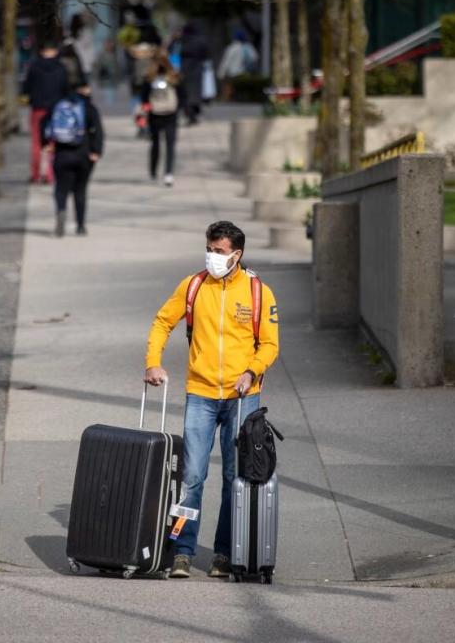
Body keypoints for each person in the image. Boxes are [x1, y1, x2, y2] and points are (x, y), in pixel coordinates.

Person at [144, 221, 280, 579]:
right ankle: (182, 552)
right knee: (191, 476)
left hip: (242, 398)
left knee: (235, 478)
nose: (212, 257)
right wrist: (152, 363)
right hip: (201, 394)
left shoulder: (258, 292)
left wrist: (252, 371)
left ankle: (223, 553)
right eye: (209, 249)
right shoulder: (192, 286)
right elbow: (162, 322)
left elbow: (269, 344)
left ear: (237, 254)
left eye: (219, 252)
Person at [41, 83, 104, 237]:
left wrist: (45, 143)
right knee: (80, 189)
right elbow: (98, 131)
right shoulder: (88, 107)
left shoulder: (57, 105)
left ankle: (61, 211)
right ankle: (81, 226)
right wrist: (96, 151)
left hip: (62, 154)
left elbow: (43, 123)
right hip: (84, 154)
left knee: (61, 189)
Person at [22, 40, 67, 184]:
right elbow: (66, 89)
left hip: (38, 109)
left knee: (36, 142)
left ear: (41, 52)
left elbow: (26, 89)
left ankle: (35, 174)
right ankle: (50, 174)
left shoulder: (34, 67)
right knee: (54, 143)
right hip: (56, 110)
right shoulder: (61, 68)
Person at [140, 53, 182, 186]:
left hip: (155, 113)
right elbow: (182, 94)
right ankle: (168, 173)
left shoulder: (150, 78)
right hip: (170, 113)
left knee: (155, 144)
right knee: (170, 145)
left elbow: (144, 96)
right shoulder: (173, 77)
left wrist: (145, 109)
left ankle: (154, 172)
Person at [178, 23, 210, 125]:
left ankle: (190, 115)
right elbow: (206, 54)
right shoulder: (201, 40)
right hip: (197, 69)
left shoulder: (182, 40)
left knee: (186, 94)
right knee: (195, 94)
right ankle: (194, 114)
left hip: (184, 69)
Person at [217, 29, 259, 100]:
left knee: (227, 83)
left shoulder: (232, 48)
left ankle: (227, 97)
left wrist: (220, 73)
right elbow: (255, 58)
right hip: (245, 73)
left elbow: (226, 62)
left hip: (233, 73)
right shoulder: (248, 47)